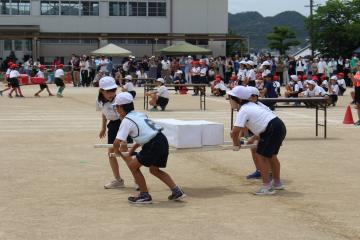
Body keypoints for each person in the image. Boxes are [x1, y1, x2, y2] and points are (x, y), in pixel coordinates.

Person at [112, 92, 186, 204]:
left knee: (133, 166)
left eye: (116, 106)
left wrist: (118, 153)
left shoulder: (127, 120)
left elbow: (116, 142)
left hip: (152, 144)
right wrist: (131, 151)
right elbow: (144, 136)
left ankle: (144, 195)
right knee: (154, 170)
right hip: (161, 140)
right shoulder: (139, 114)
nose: (116, 109)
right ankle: (176, 191)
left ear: (121, 107)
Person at [228, 86, 286, 195]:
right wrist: (254, 137)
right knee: (271, 155)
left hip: (271, 129)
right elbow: (262, 122)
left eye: (230, 98)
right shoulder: (252, 106)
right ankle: (277, 183)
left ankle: (267, 186)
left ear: (239, 100)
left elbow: (235, 132)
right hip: (279, 125)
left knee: (261, 156)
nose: (229, 101)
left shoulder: (243, 110)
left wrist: (236, 144)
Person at [97, 77, 133, 189]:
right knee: (111, 153)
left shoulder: (119, 100)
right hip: (112, 126)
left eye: (113, 90)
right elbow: (104, 113)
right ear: (101, 90)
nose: (111, 93)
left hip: (123, 125)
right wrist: (103, 128)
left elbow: (123, 118)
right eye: (108, 91)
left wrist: (124, 138)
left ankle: (137, 179)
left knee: (125, 153)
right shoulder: (99, 101)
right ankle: (118, 180)